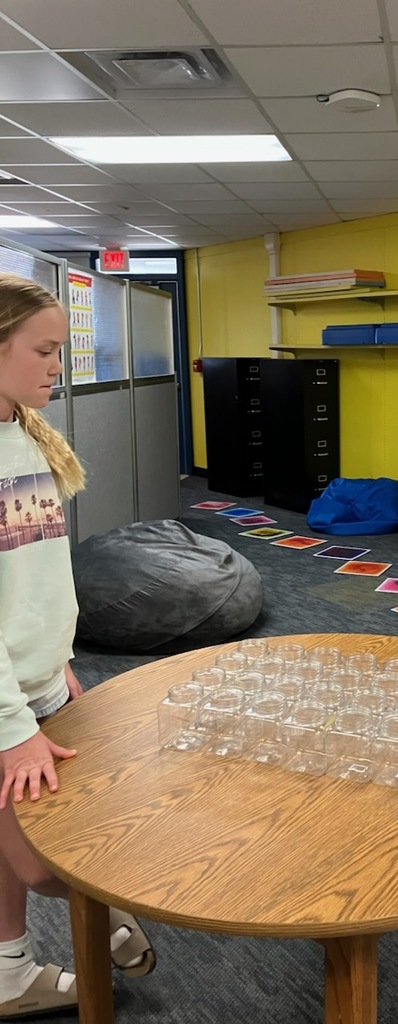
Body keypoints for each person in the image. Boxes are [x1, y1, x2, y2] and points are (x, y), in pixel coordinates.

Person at [0, 272, 156, 1018]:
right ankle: (118, 909)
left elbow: (38, 568)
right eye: (45, 351)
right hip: (5, 709)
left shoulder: (26, 435)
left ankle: (6, 974)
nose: (57, 367)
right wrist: (13, 732)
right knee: (38, 859)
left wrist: (58, 654)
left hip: (38, 680)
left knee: (7, 849)